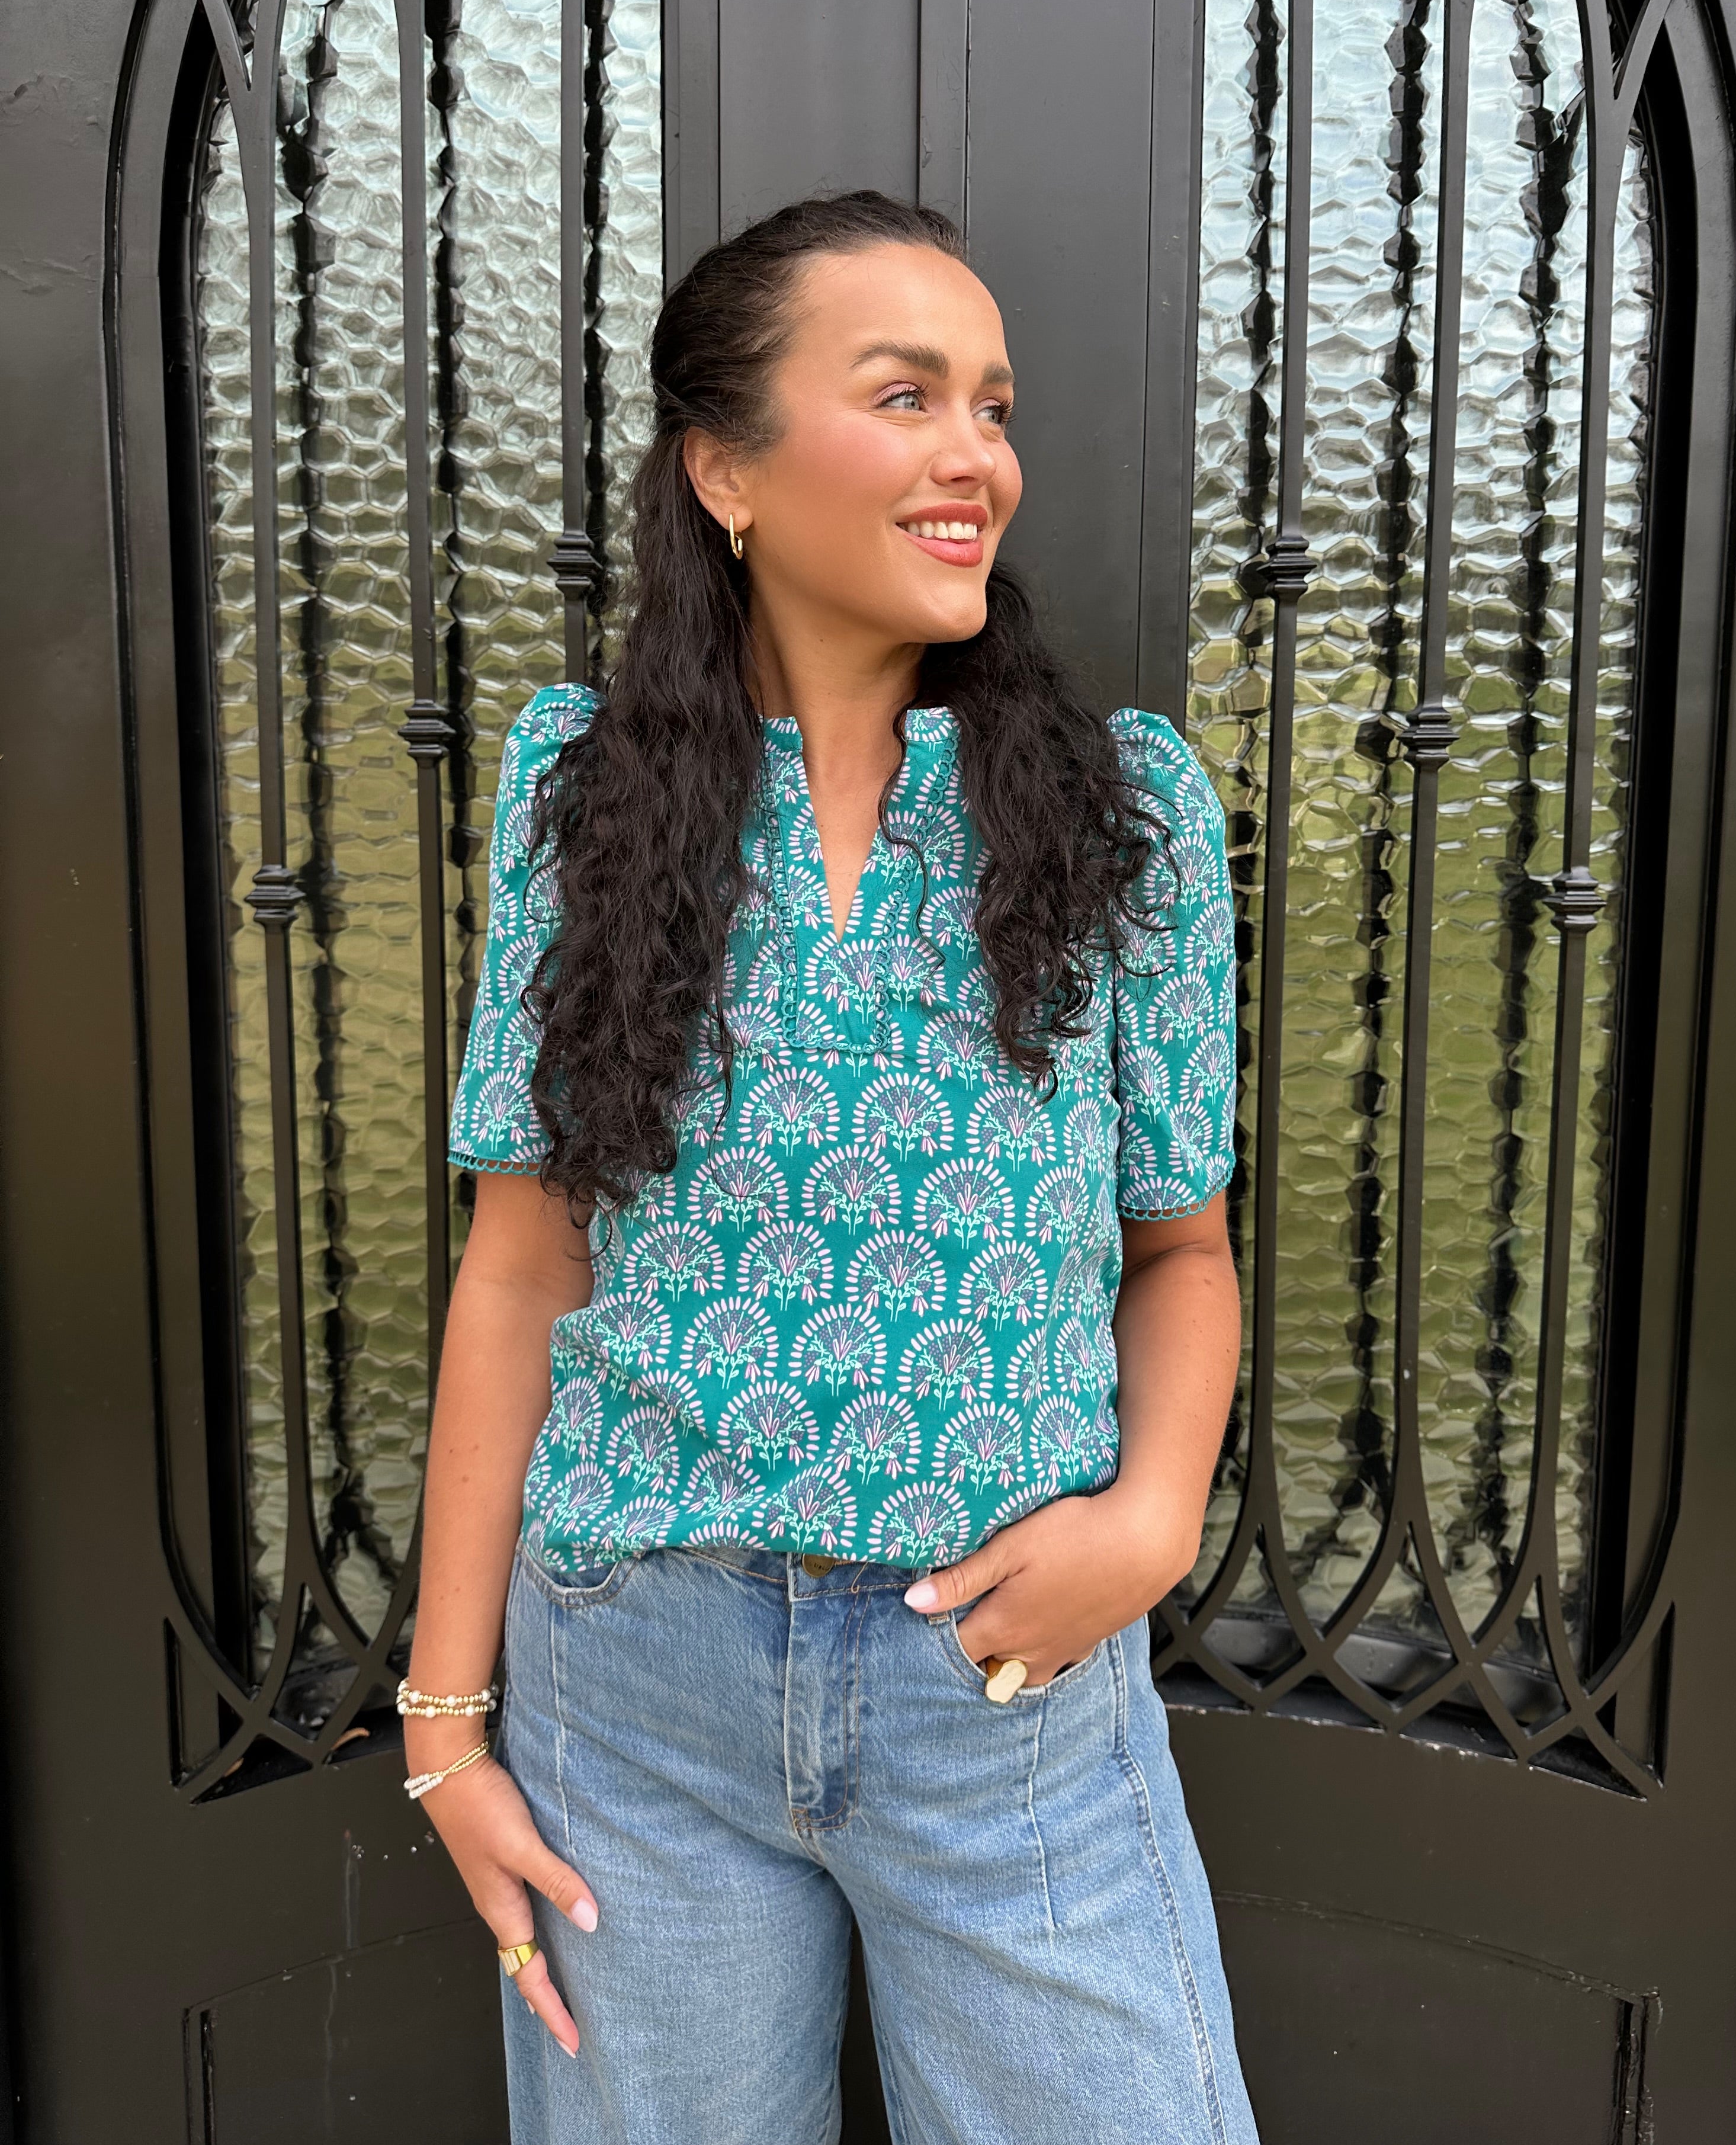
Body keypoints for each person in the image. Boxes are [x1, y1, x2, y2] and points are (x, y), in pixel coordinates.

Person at [404, 189, 1259, 2144]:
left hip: (1006, 1694)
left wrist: (1151, 1524)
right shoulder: (582, 801)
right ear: (725, 471)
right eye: (906, 396)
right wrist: (447, 1730)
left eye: (994, 407)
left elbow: (1184, 1250)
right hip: (636, 1694)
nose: (977, 456)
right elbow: (521, 1268)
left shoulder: (1121, 811)